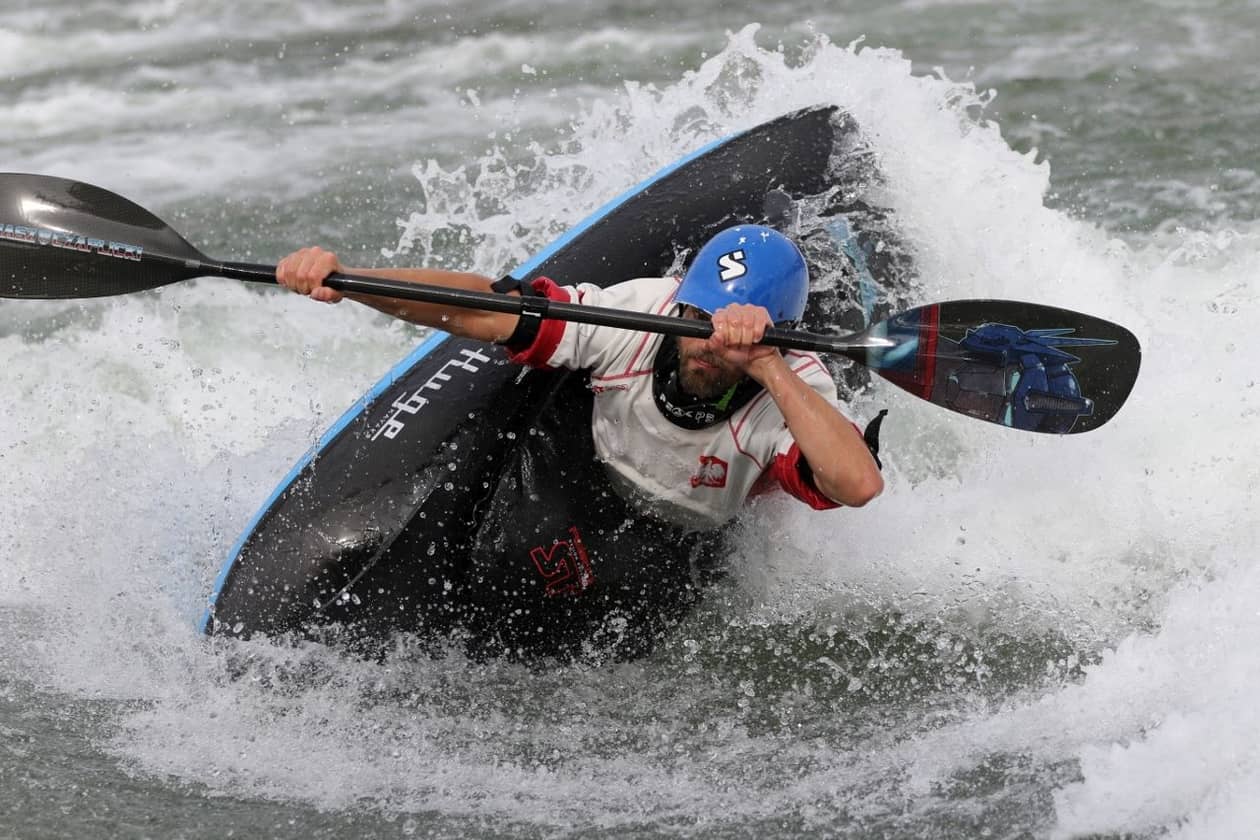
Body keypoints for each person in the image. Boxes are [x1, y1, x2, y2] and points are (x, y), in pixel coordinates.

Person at [279, 224, 883, 658]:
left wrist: (768, 366)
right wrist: (348, 281)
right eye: (696, 319)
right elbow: (483, 310)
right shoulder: (645, 311)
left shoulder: (794, 384)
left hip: (683, 543)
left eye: (724, 336)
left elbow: (857, 484)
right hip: (588, 471)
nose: (703, 343)